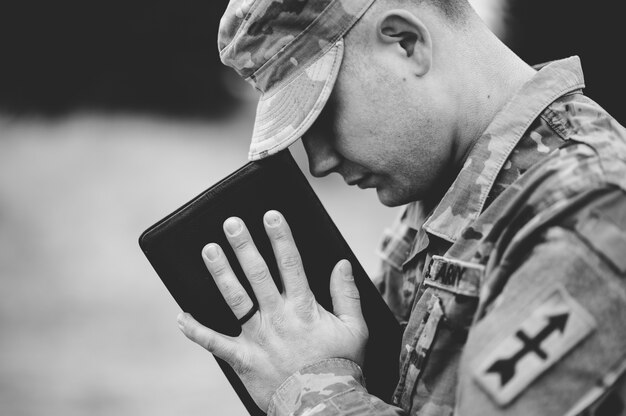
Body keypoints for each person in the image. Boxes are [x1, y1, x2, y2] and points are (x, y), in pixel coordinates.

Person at [176, 0, 626, 414]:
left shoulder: (592, 209)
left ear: (404, 43)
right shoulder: (449, 184)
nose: (319, 161)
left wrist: (310, 389)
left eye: (324, 112)